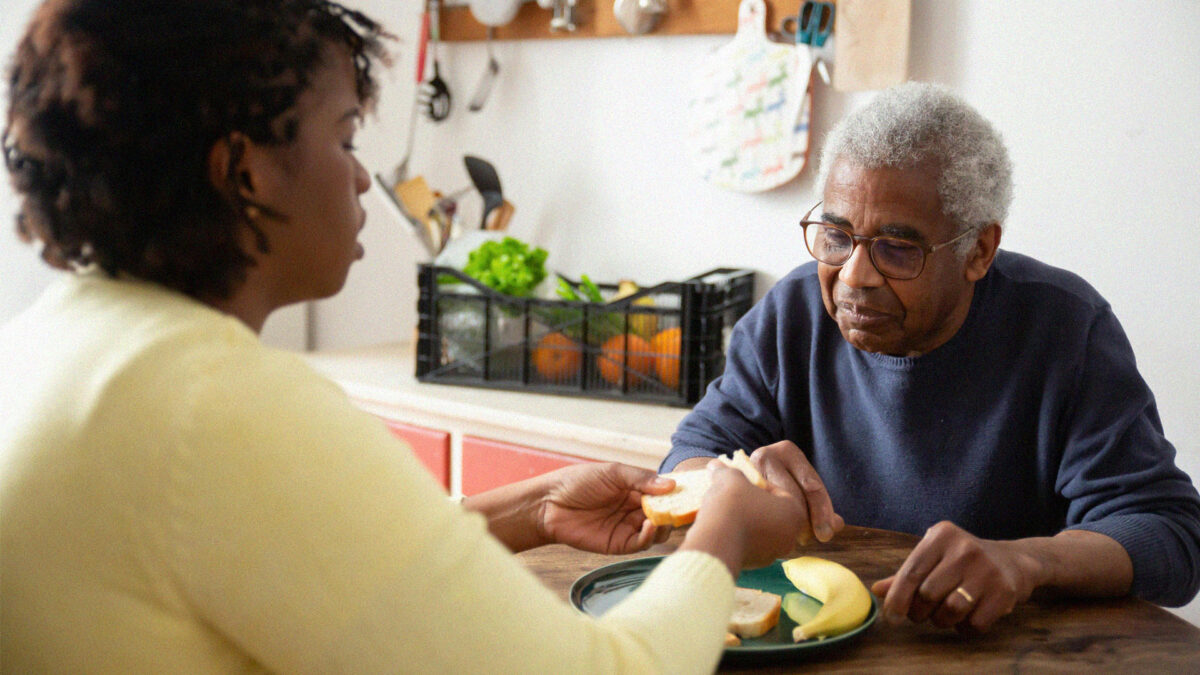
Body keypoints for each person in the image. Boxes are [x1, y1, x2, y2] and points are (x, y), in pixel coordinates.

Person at [0, 1, 806, 672]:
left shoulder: (53, 346)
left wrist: (529, 507)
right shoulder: (219, 405)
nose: (360, 176)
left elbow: (318, 567)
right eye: (347, 136)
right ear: (243, 172)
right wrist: (722, 532)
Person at [663, 82, 1200, 633]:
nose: (854, 275)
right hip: (821, 643)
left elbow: (1168, 534)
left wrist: (1028, 560)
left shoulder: (1065, 329)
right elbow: (688, 457)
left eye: (898, 249)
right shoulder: (791, 316)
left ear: (979, 251)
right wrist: (726, 481)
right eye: (836, 235)